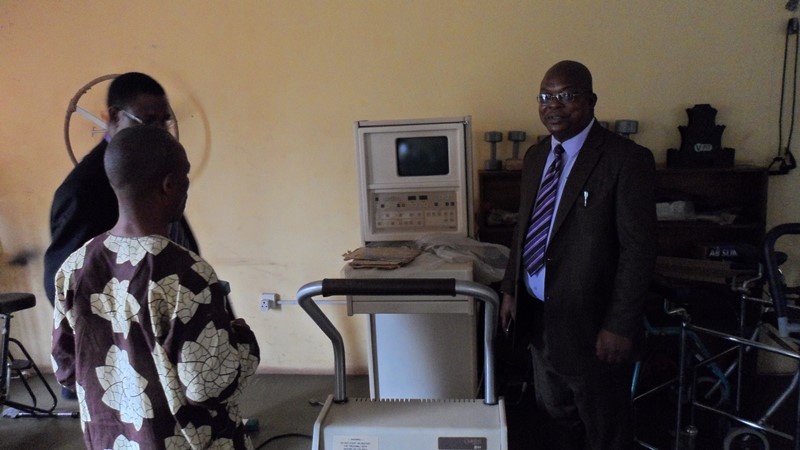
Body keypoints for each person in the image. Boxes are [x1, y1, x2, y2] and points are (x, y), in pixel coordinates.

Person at [51, 126, 260, 449]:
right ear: (169, 185)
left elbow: (66, 369)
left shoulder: (75, 267)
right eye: (185, 176)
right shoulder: (184, 273)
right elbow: (207, 386)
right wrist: (245, 342)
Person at [500, 60, 656, 450]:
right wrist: (510, 289)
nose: (553, 105)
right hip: (540, 317)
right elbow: (524, 228)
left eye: (566, 95)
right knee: (555, 420)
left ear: (591, 100)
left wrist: (620, 325)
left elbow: (638, 250)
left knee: (604, 429)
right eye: (545, 96)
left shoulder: (625, 159)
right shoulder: (536, 157)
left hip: (594, 326)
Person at [44, 72, 199, 308]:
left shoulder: (156, 171)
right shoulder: (83, 190)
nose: (159, 132)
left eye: (164, 121)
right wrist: (129, 323)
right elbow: (64, 290)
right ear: (115, 116)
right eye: (148, 121)